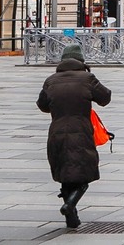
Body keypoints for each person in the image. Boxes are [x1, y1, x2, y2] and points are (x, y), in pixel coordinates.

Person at [36, 44, 112, 229]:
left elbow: (43, 105)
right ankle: (70, 205)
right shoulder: (87, 78)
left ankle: (72, 218)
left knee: (65, 173)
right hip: (81, 132)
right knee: (83, 176)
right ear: (81, 61)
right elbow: (105, 97)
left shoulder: (51, 80)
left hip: (57, 132)